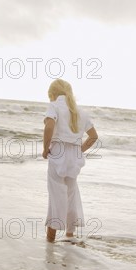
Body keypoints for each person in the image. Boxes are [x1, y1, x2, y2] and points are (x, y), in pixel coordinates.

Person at [42, 79, 98, 243]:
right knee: (71, 193)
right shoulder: (80, 111)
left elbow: (49, 126)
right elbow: (93, 137)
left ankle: (51, 239)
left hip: (58, 152)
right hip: (74, 156)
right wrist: (79, 150)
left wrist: (46, 148)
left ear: (53, 94)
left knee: (56, 195)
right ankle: (70, 235)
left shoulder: (54, 106)